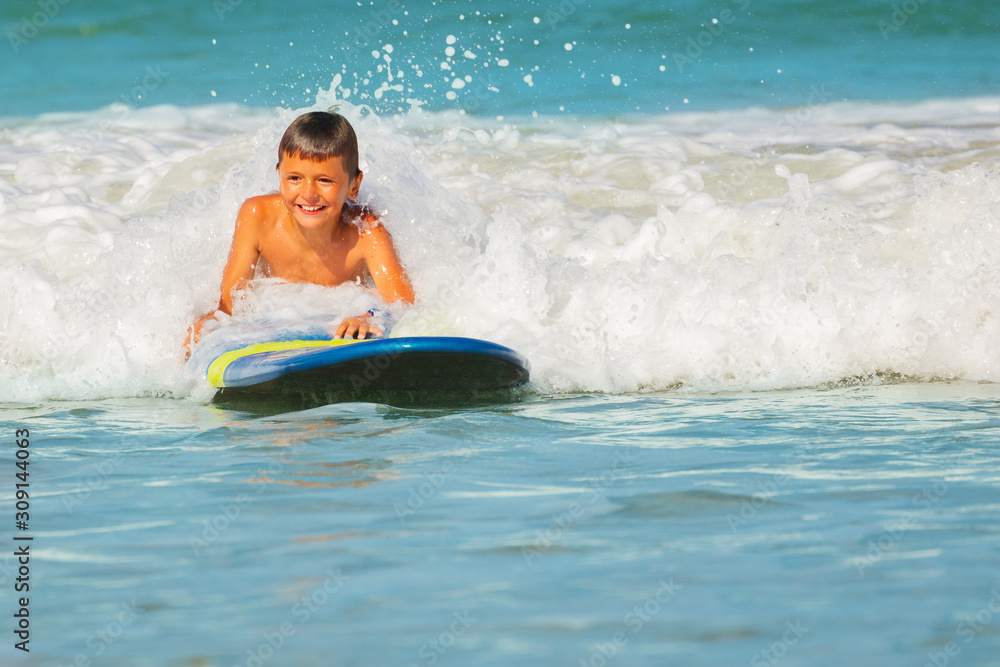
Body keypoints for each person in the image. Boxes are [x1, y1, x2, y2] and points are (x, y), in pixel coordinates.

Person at [185, 111, 414, 356]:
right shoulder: (257, 216)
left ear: (354, 186)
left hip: (334, 320)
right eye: (294, 178)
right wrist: (208, 324)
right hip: (275, 320)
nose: (309, 193)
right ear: (279, 176)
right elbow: (230, 304)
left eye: (325, 181)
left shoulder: (366, 230)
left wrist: (368, 316)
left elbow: (403, 304)